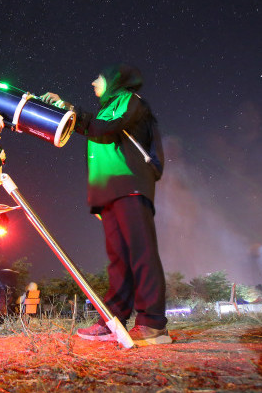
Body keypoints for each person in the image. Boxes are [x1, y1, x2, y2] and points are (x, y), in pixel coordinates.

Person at [41, 63, 170, 346]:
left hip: (131, 185)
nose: (92, 82)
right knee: (118, 260)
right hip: (109, 192)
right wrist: (65, 107)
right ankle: (113, 320)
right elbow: (98, 127)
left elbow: (108, 129)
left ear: (113, 81)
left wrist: (72, 112)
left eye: (97, 77)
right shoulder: (104, 109)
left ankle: (153, 324)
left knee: (141, 254)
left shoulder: (129, 101)